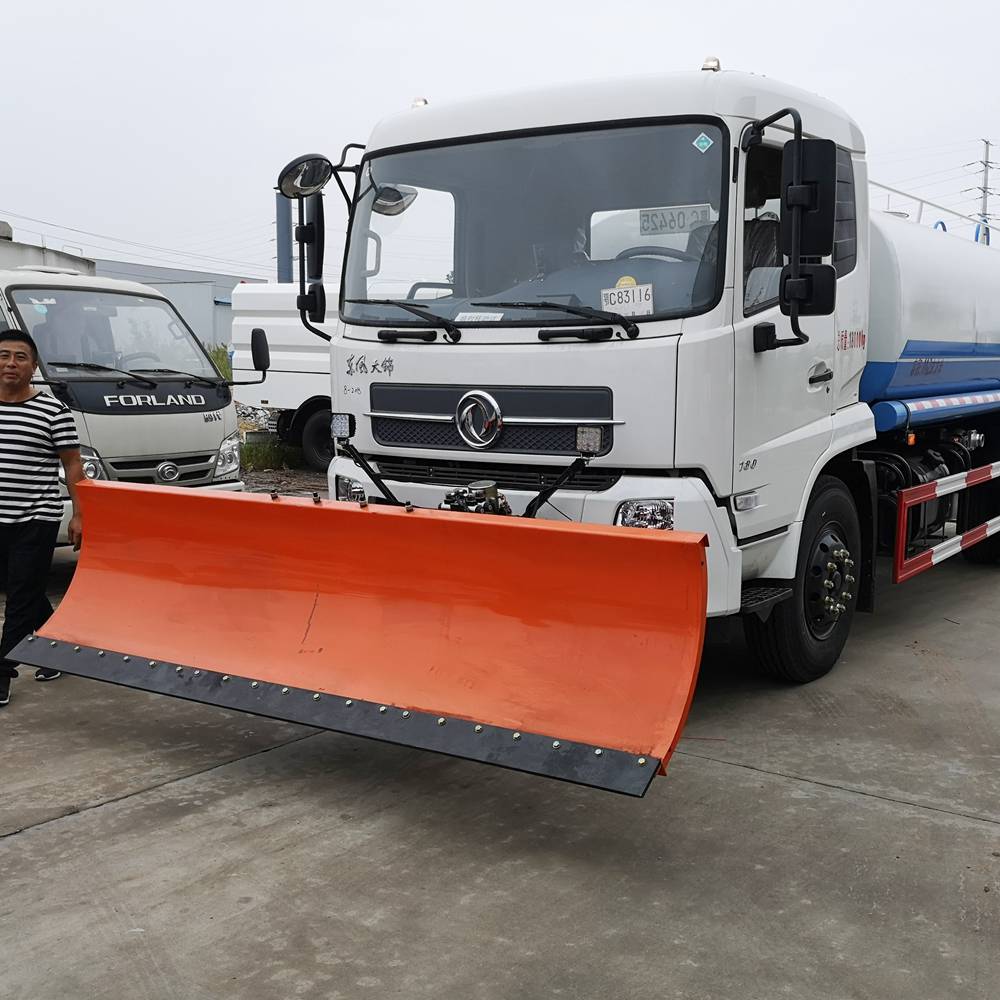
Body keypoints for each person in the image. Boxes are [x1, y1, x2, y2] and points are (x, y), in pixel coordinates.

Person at [0, 329, 84, 708]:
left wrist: (80, 515)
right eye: (4, 356)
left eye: (20, 357)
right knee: (26, 589)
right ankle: (58, 649)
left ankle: (3, 673)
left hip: (36, 517)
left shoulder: (53, 411)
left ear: (34, 366)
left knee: (19, 596)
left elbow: (74, 470)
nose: (11, 364)